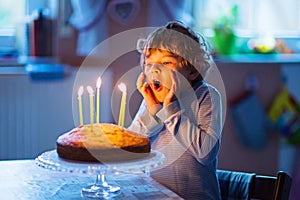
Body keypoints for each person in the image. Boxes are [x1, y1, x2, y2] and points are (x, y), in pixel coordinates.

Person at [128, 21, 222, 199]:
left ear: (192, 70)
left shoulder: (206, 96)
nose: (155, 70)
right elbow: (133, 145)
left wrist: (171, 111)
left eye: (166, 62)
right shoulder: (152, 99)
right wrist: (153, 111)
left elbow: (205, 153)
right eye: (149, 64)